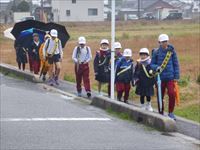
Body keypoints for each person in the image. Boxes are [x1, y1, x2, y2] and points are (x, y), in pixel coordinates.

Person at [151, 34, 180, 120]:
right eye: (163, 42)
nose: (165, 43)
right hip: (160, 78)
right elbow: (152, 64)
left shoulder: (172, 51)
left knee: (171, 94)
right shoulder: (156, 52)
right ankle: (161, 112)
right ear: (159, 42)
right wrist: (156, 67)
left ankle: (171, 112)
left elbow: (176, 64)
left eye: (166, 41)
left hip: (170, 77)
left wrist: (176, 76)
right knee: (160, 95)